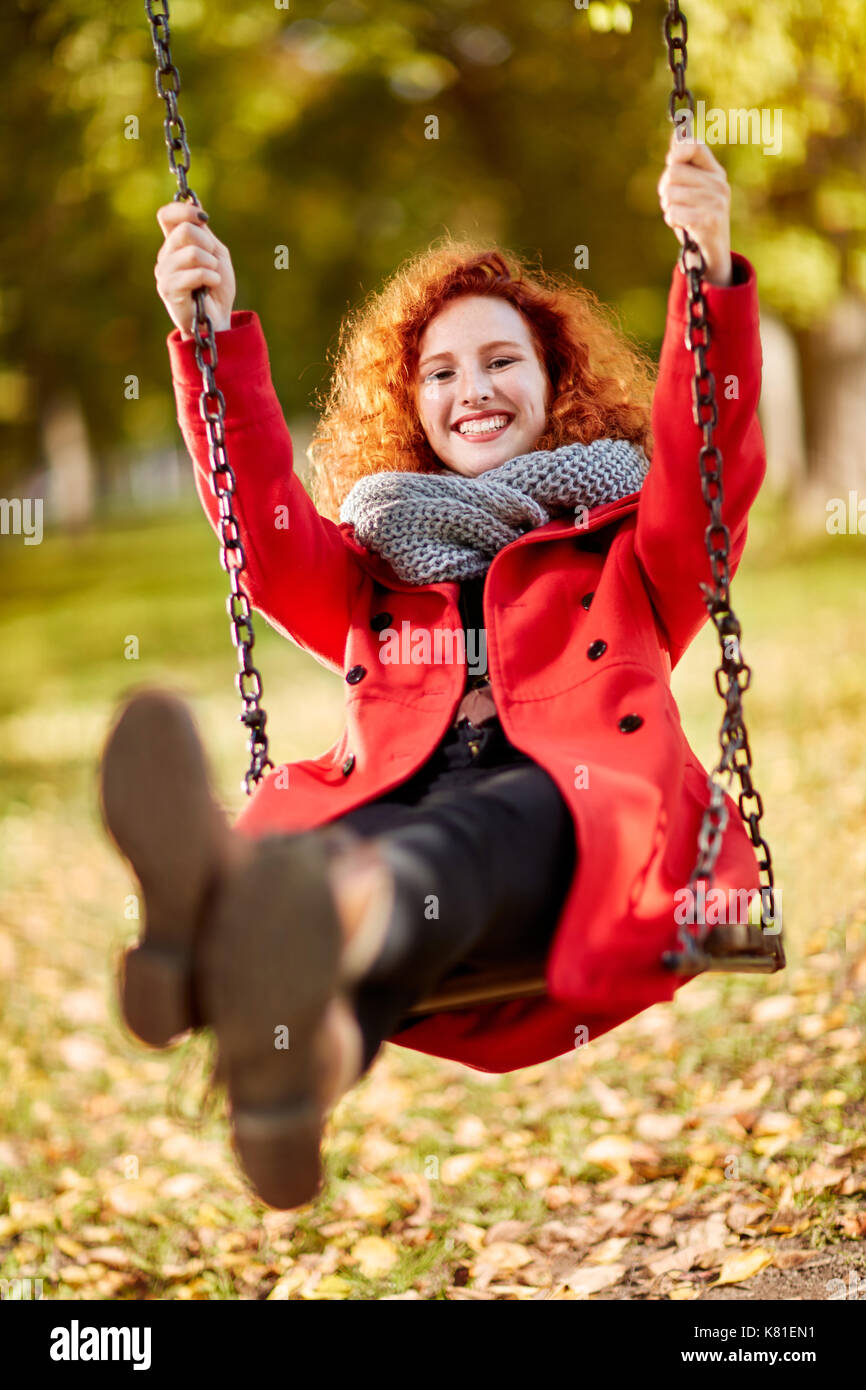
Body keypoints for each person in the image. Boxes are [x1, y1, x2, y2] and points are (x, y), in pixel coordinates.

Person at [99, 128, 766, 1210]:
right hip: (403, 821)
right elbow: (263, 532)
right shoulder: (372, 563)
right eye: (440, 371)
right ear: (408, 406)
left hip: (578, 820)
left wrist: (706, 271)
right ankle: (282, 1065)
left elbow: (712, 459)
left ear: (555, 381)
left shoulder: (630, 546)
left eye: (502, 360)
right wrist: (209, 334)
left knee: (460, 835)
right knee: (354, 857)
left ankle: (237, 917)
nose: (473, 389)